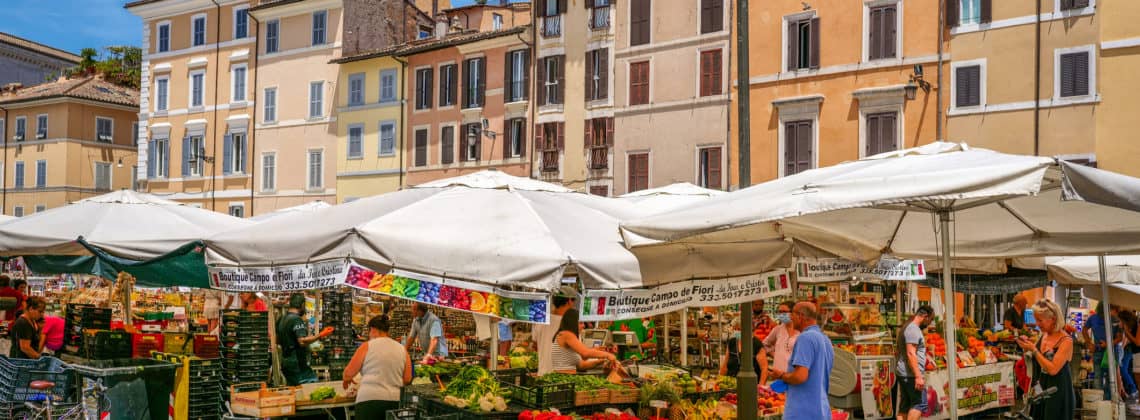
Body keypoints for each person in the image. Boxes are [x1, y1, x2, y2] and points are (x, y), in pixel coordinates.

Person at [771, 301, 833, 420]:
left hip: (802, 411)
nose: (790, 318)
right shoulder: (825, 340)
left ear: (801, 316)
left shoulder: (805, 338)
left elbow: (800, 376)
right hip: (821, 409)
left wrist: (781, 375)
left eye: (792, 314)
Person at [1016, 300, 1076, 420]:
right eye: (1036, 320)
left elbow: (1053, 369)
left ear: (1053, 319)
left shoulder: (1066, 341)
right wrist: (1026, 346)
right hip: (1041, 389)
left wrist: (1034, 350)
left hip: (1058, 392)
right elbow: (1036, 361)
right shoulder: (1043, 335)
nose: (1037, 324)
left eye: (1040, 320)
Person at [342, 315, 412, 418]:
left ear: (373, 329)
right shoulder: (402, 349)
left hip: (369, 402)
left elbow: (348, 373)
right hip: (395, 402)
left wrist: (346, 378)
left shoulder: (367, 346)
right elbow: (407, 379)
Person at [278, 293, 332, 385]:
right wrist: (321, 334)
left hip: (286, 362)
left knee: (295, 391)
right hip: (297, 363)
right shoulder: (296, 320)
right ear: (302, 304)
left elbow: (276, 340)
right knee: (312, 385)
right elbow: (302, 341)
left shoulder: (282, 319)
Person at [895, 305, 934, 420]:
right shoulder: (913, 329)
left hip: (904, 372)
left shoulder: (908, 326)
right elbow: (911, 353)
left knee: (905, 406)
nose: (929, 324)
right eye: (930, 320)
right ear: (925, 317)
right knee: (919, 404)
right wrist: (918, 376)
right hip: (911, 374)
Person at [551, 310, 617, 374]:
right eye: (581, 323)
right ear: (572, 323)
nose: (584, 326)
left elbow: (581, 365)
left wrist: (600, 361)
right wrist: (607, 355)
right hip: (563, 379)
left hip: (569, 377)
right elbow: (585, 353)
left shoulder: (569, 336)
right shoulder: (566, 334)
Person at [1084, 301, 1120, 400]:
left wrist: (1108, 344)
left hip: (1111, 353)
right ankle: (1098, 402)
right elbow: (1084, 329)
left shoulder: (1115, 319)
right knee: (1097, 377)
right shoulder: (1093, 318)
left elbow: (1119, 338)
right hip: (1098, 351)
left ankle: (1108, 402)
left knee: (1110, 379)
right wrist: (1088, 343)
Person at [759, 300, 799, 385]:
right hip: (778, 374)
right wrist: (773, 354)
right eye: (779, 312)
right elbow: (765, 344)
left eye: (784, 312)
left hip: (794, 375)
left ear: (792, 313)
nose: (781, 315)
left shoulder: (801, 331)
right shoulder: (778, 329)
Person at [535, 291, 574, 375]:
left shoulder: (539, 318)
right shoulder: (571, 323)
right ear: (569, 301)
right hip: (562, 376)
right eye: (574, 301)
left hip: (542, 372)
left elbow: (535, 342)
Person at [1119, 309, 1140, 400]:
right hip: (1136, 354)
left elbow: (1138, 342)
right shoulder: (1133, 326)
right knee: (1137, 380)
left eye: (1121, 321)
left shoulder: (1138, 323)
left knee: (1138, 380)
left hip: (1138, 354)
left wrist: (1126, 331)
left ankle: (1135, 393)